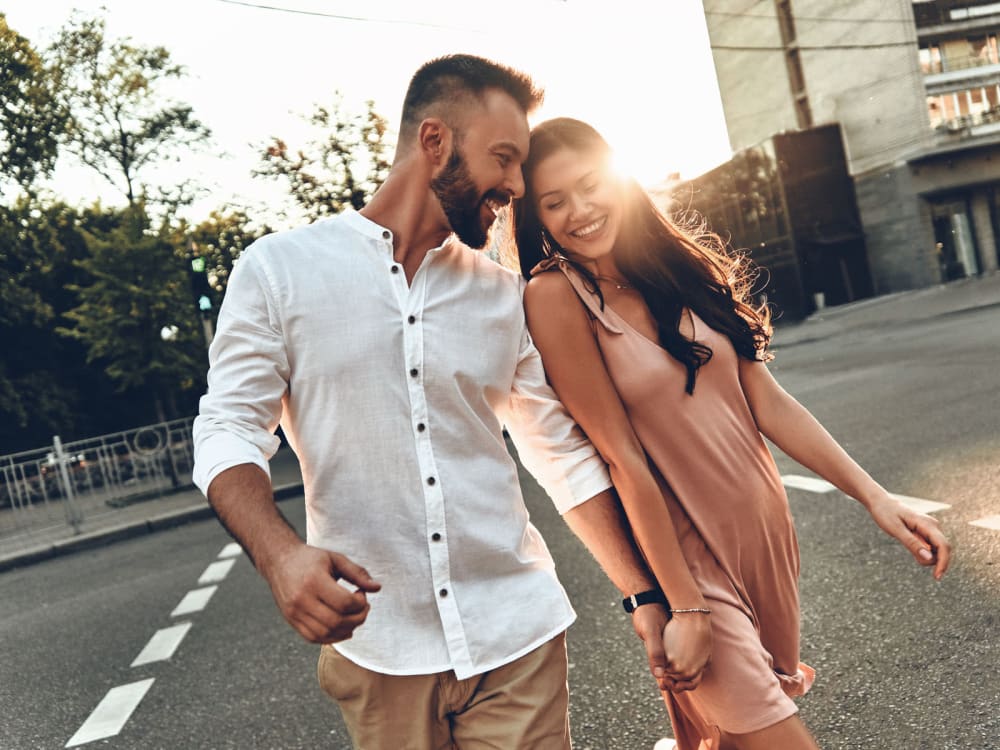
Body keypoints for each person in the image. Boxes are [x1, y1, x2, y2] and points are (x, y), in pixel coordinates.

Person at [192, 56, 686, 750]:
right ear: (435, 143)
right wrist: (280, 557)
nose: (517, 185)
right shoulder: (279, 272)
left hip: (516, 634)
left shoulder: (502, 294)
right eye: (504, 159)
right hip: (380, 651)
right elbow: (228, 430)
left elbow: (561, 454)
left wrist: (644, 594)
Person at [511, 117, 952, 750]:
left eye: (589, 185)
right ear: (539, 219)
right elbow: (621, 458)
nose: (579, 210)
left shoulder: (673, 269)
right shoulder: (555, 297)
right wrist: (681, 605)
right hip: (688, 557)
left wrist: (877, 497)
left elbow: (768, 403)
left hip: (763, 540)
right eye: (555, 202)